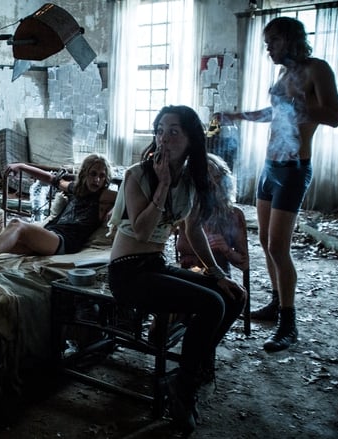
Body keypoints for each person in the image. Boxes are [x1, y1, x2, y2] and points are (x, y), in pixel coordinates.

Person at [107, 105, 247, 434]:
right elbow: (142, 231)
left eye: (173, 132)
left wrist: (217, 274)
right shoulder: (137, 175)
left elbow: (193, 231)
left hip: (155, 266)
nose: (164, 139)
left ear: (191, 140)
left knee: (233, 297)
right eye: (160, 131)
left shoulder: (191, 180)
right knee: (212, 305)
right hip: (127, 273)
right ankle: (185, 384)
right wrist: (163, 186)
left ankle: (185, 376)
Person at [215, 16, 338, 352]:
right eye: (266, 42)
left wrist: (300, 106)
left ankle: (289, 323)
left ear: (290, 39)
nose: (268, 48)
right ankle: (275, 302)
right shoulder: (283, 75)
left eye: (272, 41)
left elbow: (334, 116)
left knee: (278, 248)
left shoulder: (316, 69)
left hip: (293, 169)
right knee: (264, 241)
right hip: (269, 167)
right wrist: (238, 116)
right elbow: (274, 114)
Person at [0, 154, 117, 272]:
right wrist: (22, 166)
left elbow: (123, 197)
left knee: (16, 224)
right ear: (85, 174)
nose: (97, 179)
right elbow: (51, 179)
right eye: (93, 174)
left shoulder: (104, 194)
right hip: (50, 235)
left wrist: (114, 209)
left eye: (102, 176)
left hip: (64, 242)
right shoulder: (75, 189)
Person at [177, 153, 248, 276]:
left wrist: (226, 249)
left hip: (219, 280)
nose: (207, 188)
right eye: (201, 182)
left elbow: (244, 264)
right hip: (188, 278)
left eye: (213, 181)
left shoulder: (233, 214)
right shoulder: (185, 210)